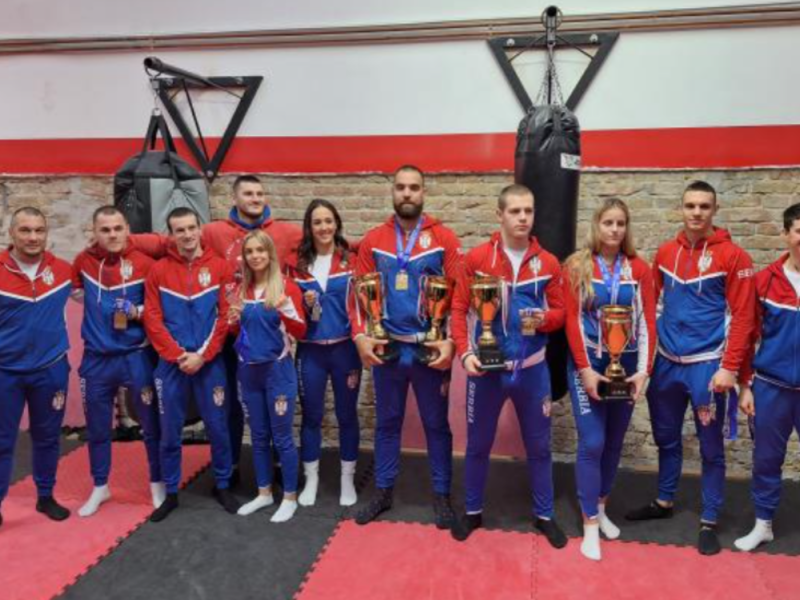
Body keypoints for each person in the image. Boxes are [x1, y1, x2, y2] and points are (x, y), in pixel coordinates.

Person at [132, 175, 303, 484]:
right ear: (234, 198)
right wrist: (124, 240)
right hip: (229, 333)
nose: (255, 198)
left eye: (259, 193)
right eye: (248, 193)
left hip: (263, 331)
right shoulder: (213, 231)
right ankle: (232, 466)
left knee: (271, 400)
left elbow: (324, 237)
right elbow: (163, 241)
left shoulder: (284, 231)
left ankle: (279, 466)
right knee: (230, 406)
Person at [625, 180, 755, 556]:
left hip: (707, 366)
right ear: (681, 208)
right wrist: (645, 362)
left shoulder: (735, 256)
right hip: (667, 363)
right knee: (666, 438)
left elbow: (744, 318)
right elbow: (652, 305)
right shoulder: (666, 252)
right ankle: (664, 501)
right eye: (690, 205)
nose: (696, 212)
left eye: (704, 206)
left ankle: (709, 519)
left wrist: (730, 368)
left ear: (715, 210)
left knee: (711, 447)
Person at [449, 184, 567, 548]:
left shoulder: (548, 262)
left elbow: (561, 312)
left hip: (532, 370)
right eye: (515, 211)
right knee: (477, 445)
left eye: (528, 211)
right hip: (487, 371)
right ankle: (472, 511)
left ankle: (544, 514)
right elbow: (458, 309)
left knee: (540, 446)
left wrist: (544, 320)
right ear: (499, 214)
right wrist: (465, 354)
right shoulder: (477, 258)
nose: (523, 218)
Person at [351, 165, 460, 527]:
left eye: (414, 187)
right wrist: (361, 336)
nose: (407, 193)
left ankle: (442, 496)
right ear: (393, 191)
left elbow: (459, 298)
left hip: (428, 351)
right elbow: (357, 297)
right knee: (387, 424)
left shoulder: (444, 238)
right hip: (388, 349)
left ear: (424, 192)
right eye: (401, 187)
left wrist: (451, 342)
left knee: (436, 425)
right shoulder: (373, 239)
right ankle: (383, 492)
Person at [562, 198, 656, 560]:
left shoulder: (639, 269)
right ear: (596, 225)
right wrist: (585, 369)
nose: (614, 229)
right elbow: (572, 321)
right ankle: (588, 523)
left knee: (614, 441)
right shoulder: (578, 265)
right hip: (588, 362)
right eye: (608, 223)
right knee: (593, 442)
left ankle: (601, 508)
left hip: (625, 365)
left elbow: (647, 322)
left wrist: (643, 372)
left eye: (620, 223)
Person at [143, 207, 239, 522]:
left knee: (218, 427)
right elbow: (152, 319)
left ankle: (223, 484)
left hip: (209, 363)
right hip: (171, 365)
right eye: (179, 230)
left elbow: (225, 317)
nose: (186, 235)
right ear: (171, 235)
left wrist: (203, 355)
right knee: (169, 431)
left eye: (190, 228)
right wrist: (177, 355)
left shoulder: (221, 267)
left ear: (200, 229)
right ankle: (171, 492)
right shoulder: (158, 271)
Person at [71, 206, 164, 517]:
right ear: (94, 233)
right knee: (98, 428)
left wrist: (136, 312)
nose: (112, 235)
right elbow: (76, 291)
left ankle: (157, 482)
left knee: (151, 424)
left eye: (117, 228)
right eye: (105, 230)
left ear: (127, 230)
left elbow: (158, 307)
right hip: (97, 359)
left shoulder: (146, 263)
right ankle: (100, 485)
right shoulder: (83, 262)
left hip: (136, 355)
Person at [0, 207, 72, 527]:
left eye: (39, 230)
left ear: (46, 233)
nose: (32, 237)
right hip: (5, 372)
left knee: (48, 437)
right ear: (11, 233)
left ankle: (46, 496)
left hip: (51, 369)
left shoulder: (63, 271)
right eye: (25, 230)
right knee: (2, 441)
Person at [735, 202, 800, 552]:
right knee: (766, 460)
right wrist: (745, 385)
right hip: (771, 387)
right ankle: (764, 525)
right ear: (787, 234)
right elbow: (747, 336)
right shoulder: (764, 281)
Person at [288, 199, 361, 507]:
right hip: (311, 353)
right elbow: (288, 308)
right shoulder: (296, 264)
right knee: (312, 417)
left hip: (346, 350)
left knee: (347, 415)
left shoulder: (352, 259)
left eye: (328, 221)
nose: (324, 227)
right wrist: (302, 304)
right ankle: (312, 479)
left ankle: (347, 479)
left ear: (337, 223)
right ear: (309, 227)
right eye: (317, 222)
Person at [229, 230, 306, 522]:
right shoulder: (240, 290)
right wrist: (233, 322)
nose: (255, 256)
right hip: (249, 372)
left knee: (282, 437)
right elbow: (237, 332)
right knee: (259, 436)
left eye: (260, 250)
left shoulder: (286, 287)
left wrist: (286, 307)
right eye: (250, 251)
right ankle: (264, 493)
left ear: (270, 253)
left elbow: (301, 332)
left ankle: (290, 497)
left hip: (277, 372)